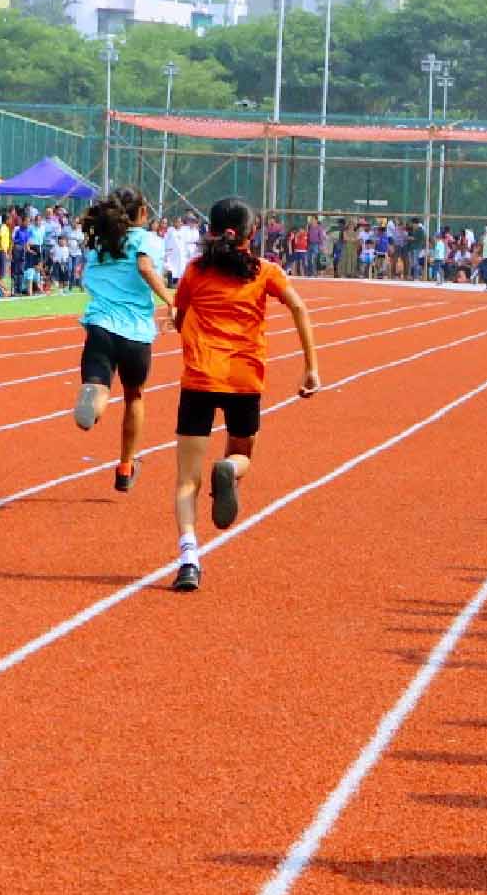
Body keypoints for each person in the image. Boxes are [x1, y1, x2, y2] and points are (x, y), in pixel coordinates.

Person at [168, 195, 320, 593]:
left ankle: (188, 558)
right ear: (253, 233)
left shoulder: (195, 270)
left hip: (200, 378)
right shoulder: (265, 271)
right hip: (244, 379)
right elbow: (299, 308)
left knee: (186, 481)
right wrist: (311, 367)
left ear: (212, 229)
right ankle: (229, 470)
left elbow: (179, 317)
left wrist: (189, 330)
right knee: (242, 454)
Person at [72, 187, 172, 492]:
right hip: (136, 333)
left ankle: (94, 403)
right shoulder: (146, 239)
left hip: (101, 327)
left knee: (98, 383)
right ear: (141, 213)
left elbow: (88, 277)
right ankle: (126, 466)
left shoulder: (101, 243)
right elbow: (144, 266)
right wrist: (171, 300)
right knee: (134, 396)